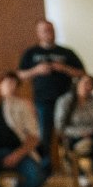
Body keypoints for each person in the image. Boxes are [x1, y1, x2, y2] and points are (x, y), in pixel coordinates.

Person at [17, 17, 85, 155]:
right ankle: (46, 167)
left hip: (66, 99)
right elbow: (20, 75)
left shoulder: (66, 52)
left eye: (51, 30)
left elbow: (82, 73)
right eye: (45, 30)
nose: (49, 33)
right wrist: (37, 70)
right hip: (43, 100)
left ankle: (74, 165)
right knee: (45, 134)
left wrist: (64, 68)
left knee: (68, 133)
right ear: (38, 33)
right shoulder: (31, 53)